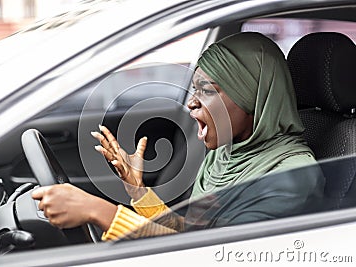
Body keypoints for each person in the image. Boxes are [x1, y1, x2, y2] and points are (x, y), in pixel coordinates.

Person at [31, 32, 324, 241]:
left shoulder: (292, 175)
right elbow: (189, 235)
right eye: (194, 89)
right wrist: (139, 192)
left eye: (207, 90)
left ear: (251, 97)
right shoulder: (225, 156)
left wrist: (101, 212)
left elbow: (213, 257)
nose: (191, 102)